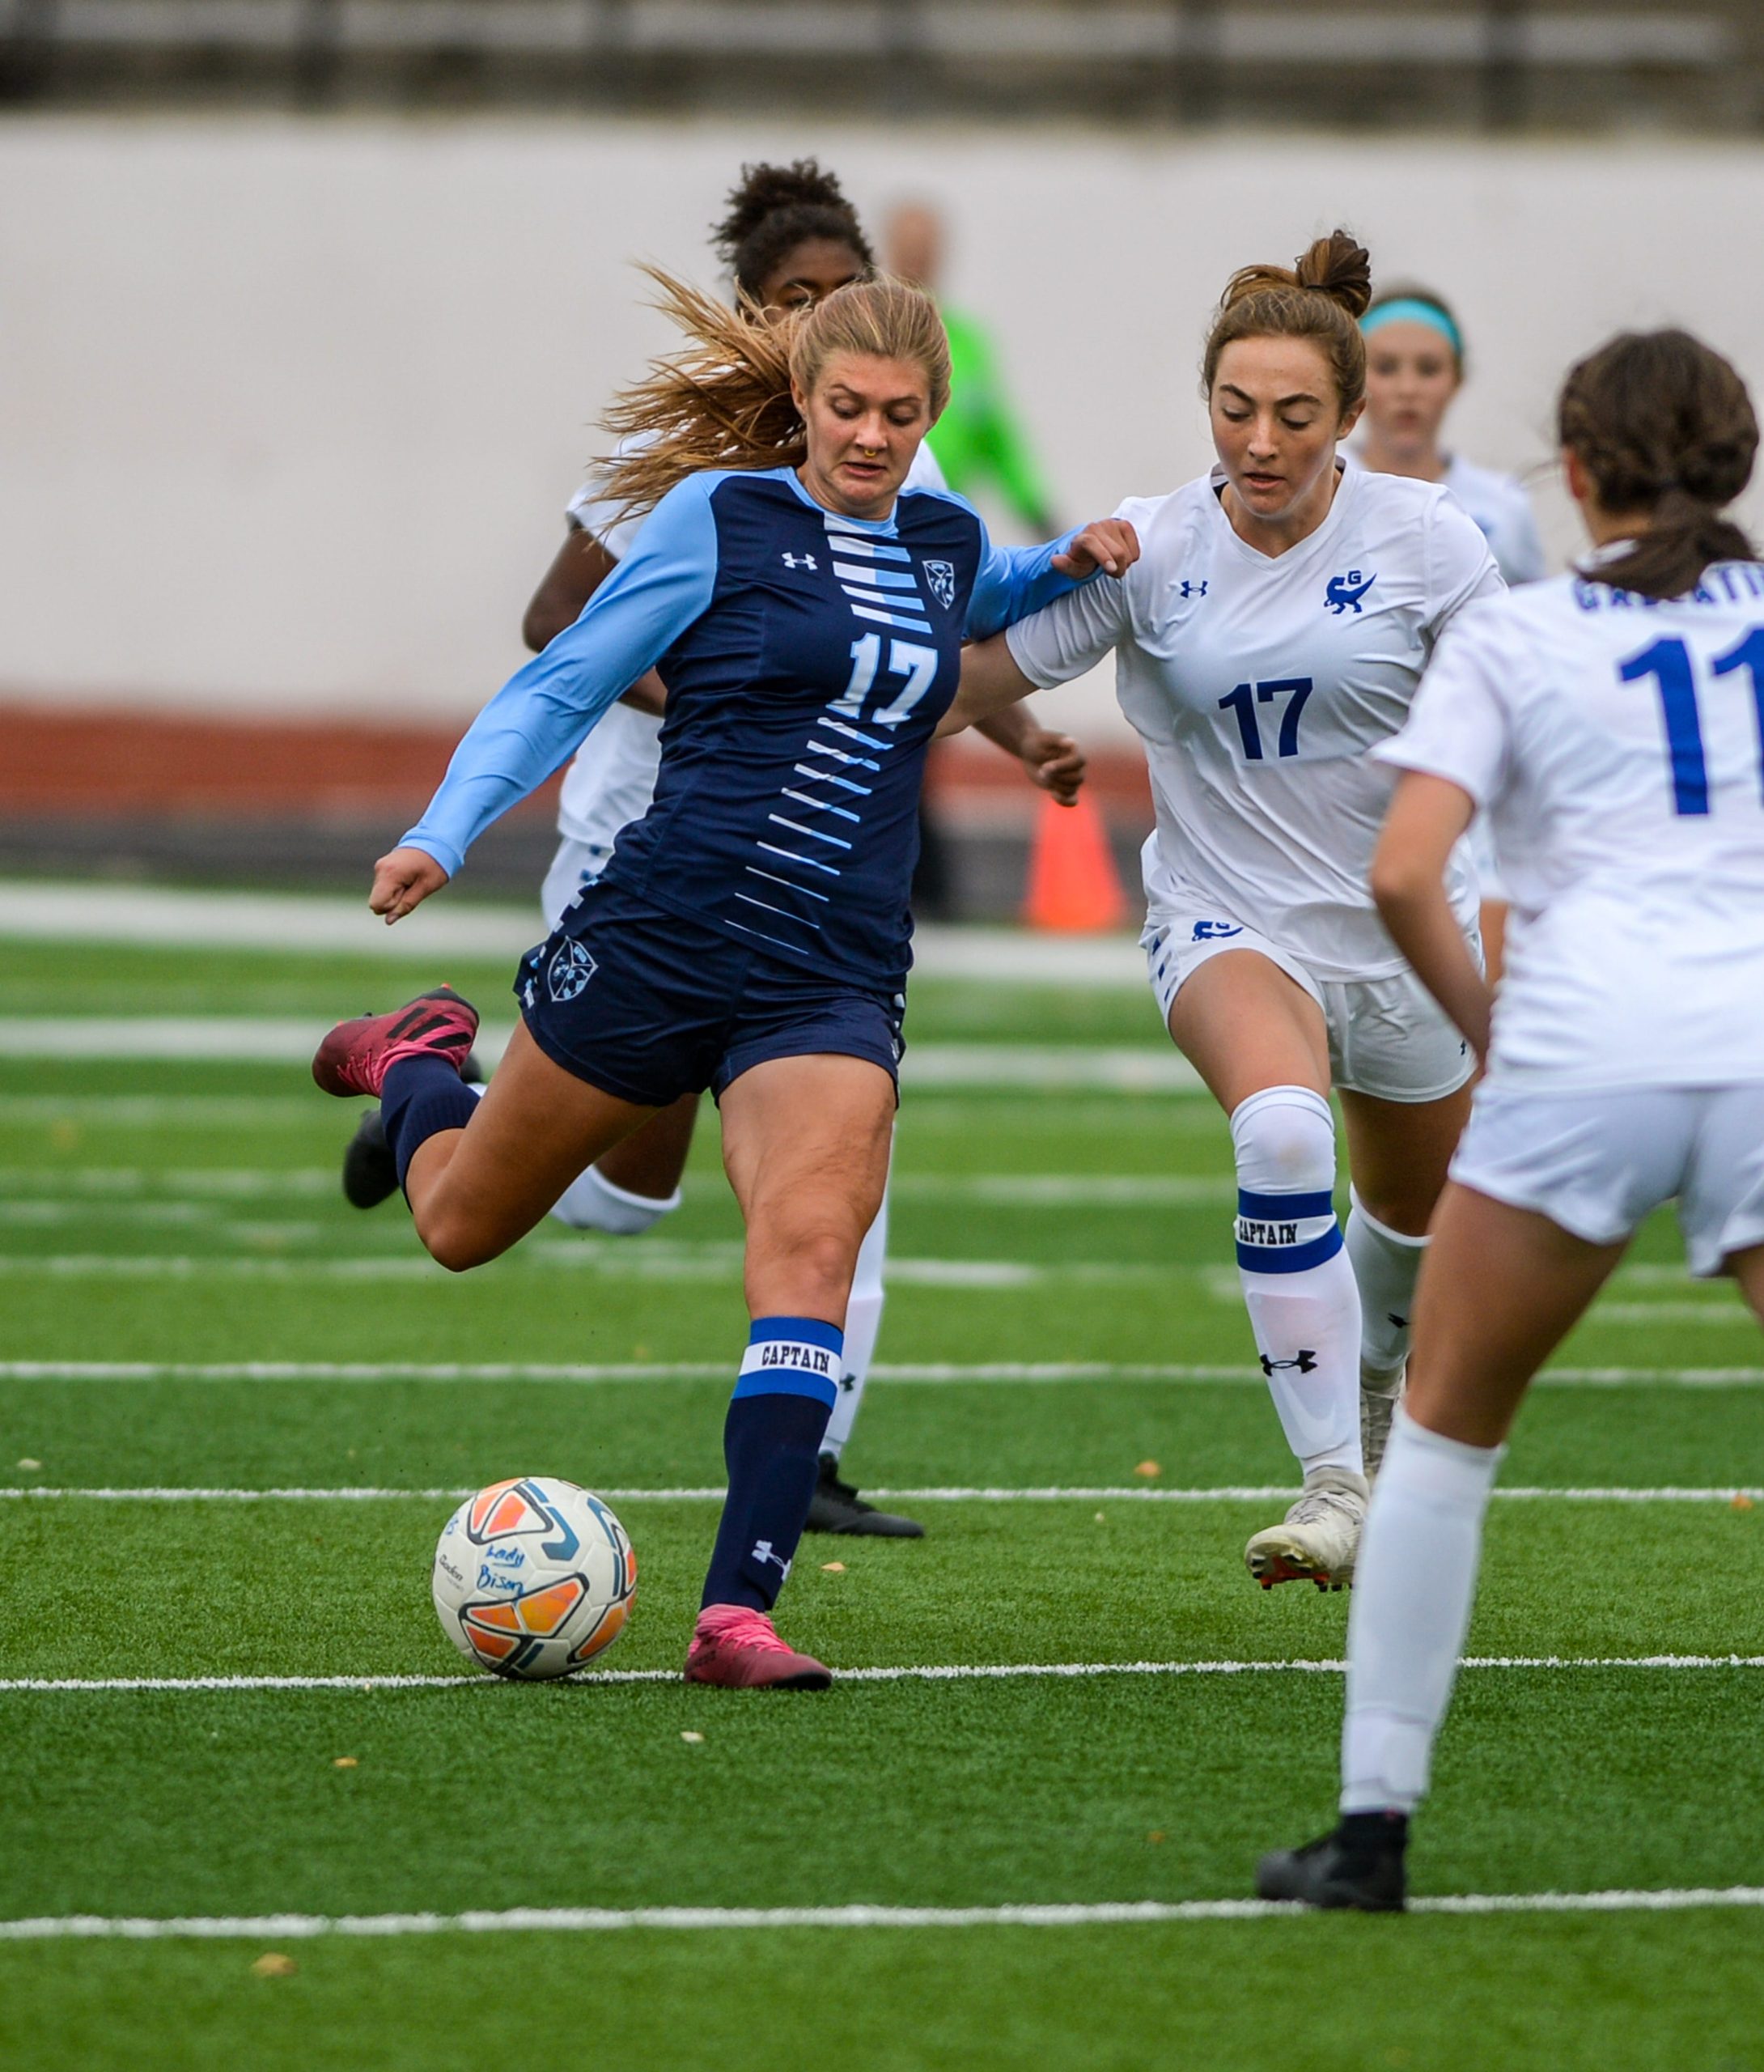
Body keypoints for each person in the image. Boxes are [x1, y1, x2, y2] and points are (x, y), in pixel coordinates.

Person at [312, 274, 1138, 1689]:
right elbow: (565, 681)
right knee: (456, 1226)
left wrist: (1062, 559)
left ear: (931, 417)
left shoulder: (942, 540)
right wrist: (441, 834)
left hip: (832, 973)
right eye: (846, 408)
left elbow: (975, 598)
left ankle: (735, 1615)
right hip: (664, 935)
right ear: (803, 401)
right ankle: (420, 1062)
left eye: (900, 415)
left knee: (810, 1254)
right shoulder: (717, 517)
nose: (870, 436)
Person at [1257, 329, 1764, 1910]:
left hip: (1581, 1051)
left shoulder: (1522, 629)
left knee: (1444, 1436)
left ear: (1579, 468)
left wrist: (1493, 1028)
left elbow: (1405, 869)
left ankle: (1372, 1829)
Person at [948, 231, 1503, 1590]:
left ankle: (1371, 1397)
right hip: (1229, 919)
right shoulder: (1152, 546)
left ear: (1350, 416)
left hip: (1411, 936)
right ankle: (1331, 1486)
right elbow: (969, 679)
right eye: (1235, 408)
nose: (1260, 442)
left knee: (1413, 1232)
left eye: (1295, 416)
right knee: (1280, 1131)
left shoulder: (1431, 541)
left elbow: (1525, 719)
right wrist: (807, 678)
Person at [1355, 283, 1546, 984]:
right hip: (1352, 763)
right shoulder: (1323, 492)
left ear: (1456, 380)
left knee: (1479, 976)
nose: (1407, 388)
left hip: (1468, 775)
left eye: (1428, 368)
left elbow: (1530, 635)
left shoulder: (1501, 507)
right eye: (1386, 367)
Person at [886, 201, 1058, 535]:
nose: (917, 262)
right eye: (909, 250)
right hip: (877, 518)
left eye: (925, 251)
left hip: (943, 525)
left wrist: (1038, 514)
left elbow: (997, 440)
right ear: (890, 250)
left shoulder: (967, 344)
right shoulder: (866, 339)